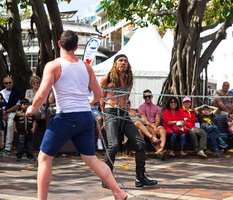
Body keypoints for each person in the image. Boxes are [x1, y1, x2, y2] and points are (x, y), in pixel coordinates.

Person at [26, 30, 127, 200]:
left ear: (59, 44)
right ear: (76, 47)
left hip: (66, 117)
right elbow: (99, 94)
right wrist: (89, 102)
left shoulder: (53, 65)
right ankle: (118, 192)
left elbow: (42, 94)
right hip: (85, 118)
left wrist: (31, 109)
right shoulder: (86, 67)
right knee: (91, 159)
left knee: (44, 158)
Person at [100, 54, 157, 188]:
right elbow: (101, 99)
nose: (123, 63)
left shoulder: (129, 79)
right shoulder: (106, 78)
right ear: (115, 63)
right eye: (121, 60)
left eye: (126, 61)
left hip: (124, 113)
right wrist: (104, 118)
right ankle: (106, 179)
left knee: (140, 143)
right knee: (113, 145)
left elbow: (126, 99)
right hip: (110, 112)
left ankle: (140, 177)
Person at [138, 89, 167, 160]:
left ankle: (161, 149)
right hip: (147, 125)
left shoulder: (157, 108)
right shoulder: (141, 107)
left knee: (163, 131)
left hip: (156, 125)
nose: (147, 98)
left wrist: (156, 126)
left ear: (152, 96)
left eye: (149, 96)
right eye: (145, 97)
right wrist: (154, 127)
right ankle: (159, 151)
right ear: (143, 98)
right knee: (152, 131)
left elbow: (158, 119)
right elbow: (145, 120)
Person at [0, 77, 22, 156]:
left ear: (12, 83)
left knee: (10, 125)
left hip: (12, 112)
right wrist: (3, 113)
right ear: (4, 84)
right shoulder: (1, 93)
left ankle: (8, 147)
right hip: (2, 112)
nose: (8, 84)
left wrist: (6, 112)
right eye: (6, 83)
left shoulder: (16, 92)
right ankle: (1, 146)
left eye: (10, 82)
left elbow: (17, 105)